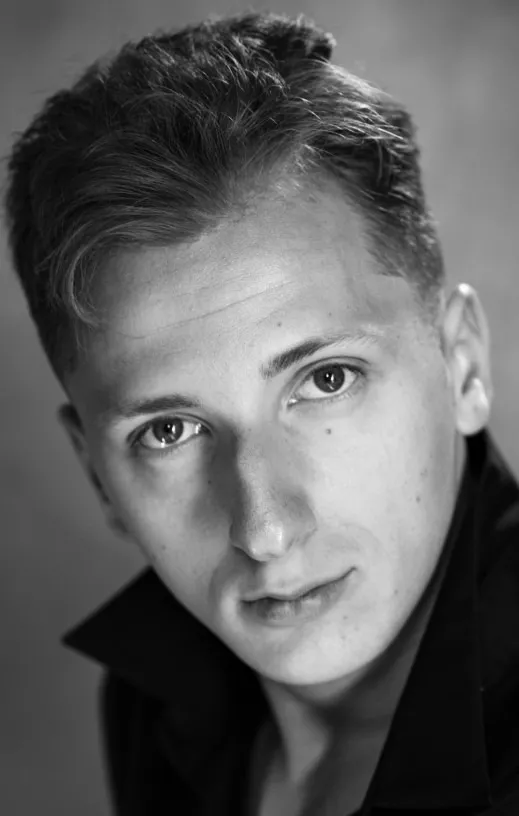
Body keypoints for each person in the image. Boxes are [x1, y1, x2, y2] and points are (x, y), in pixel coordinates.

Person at [4, 9, 519, 816]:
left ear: (460, 362)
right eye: (168, 431)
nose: (266, 530)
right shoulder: (154, 703)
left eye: (326, 380)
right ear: (97, 476)